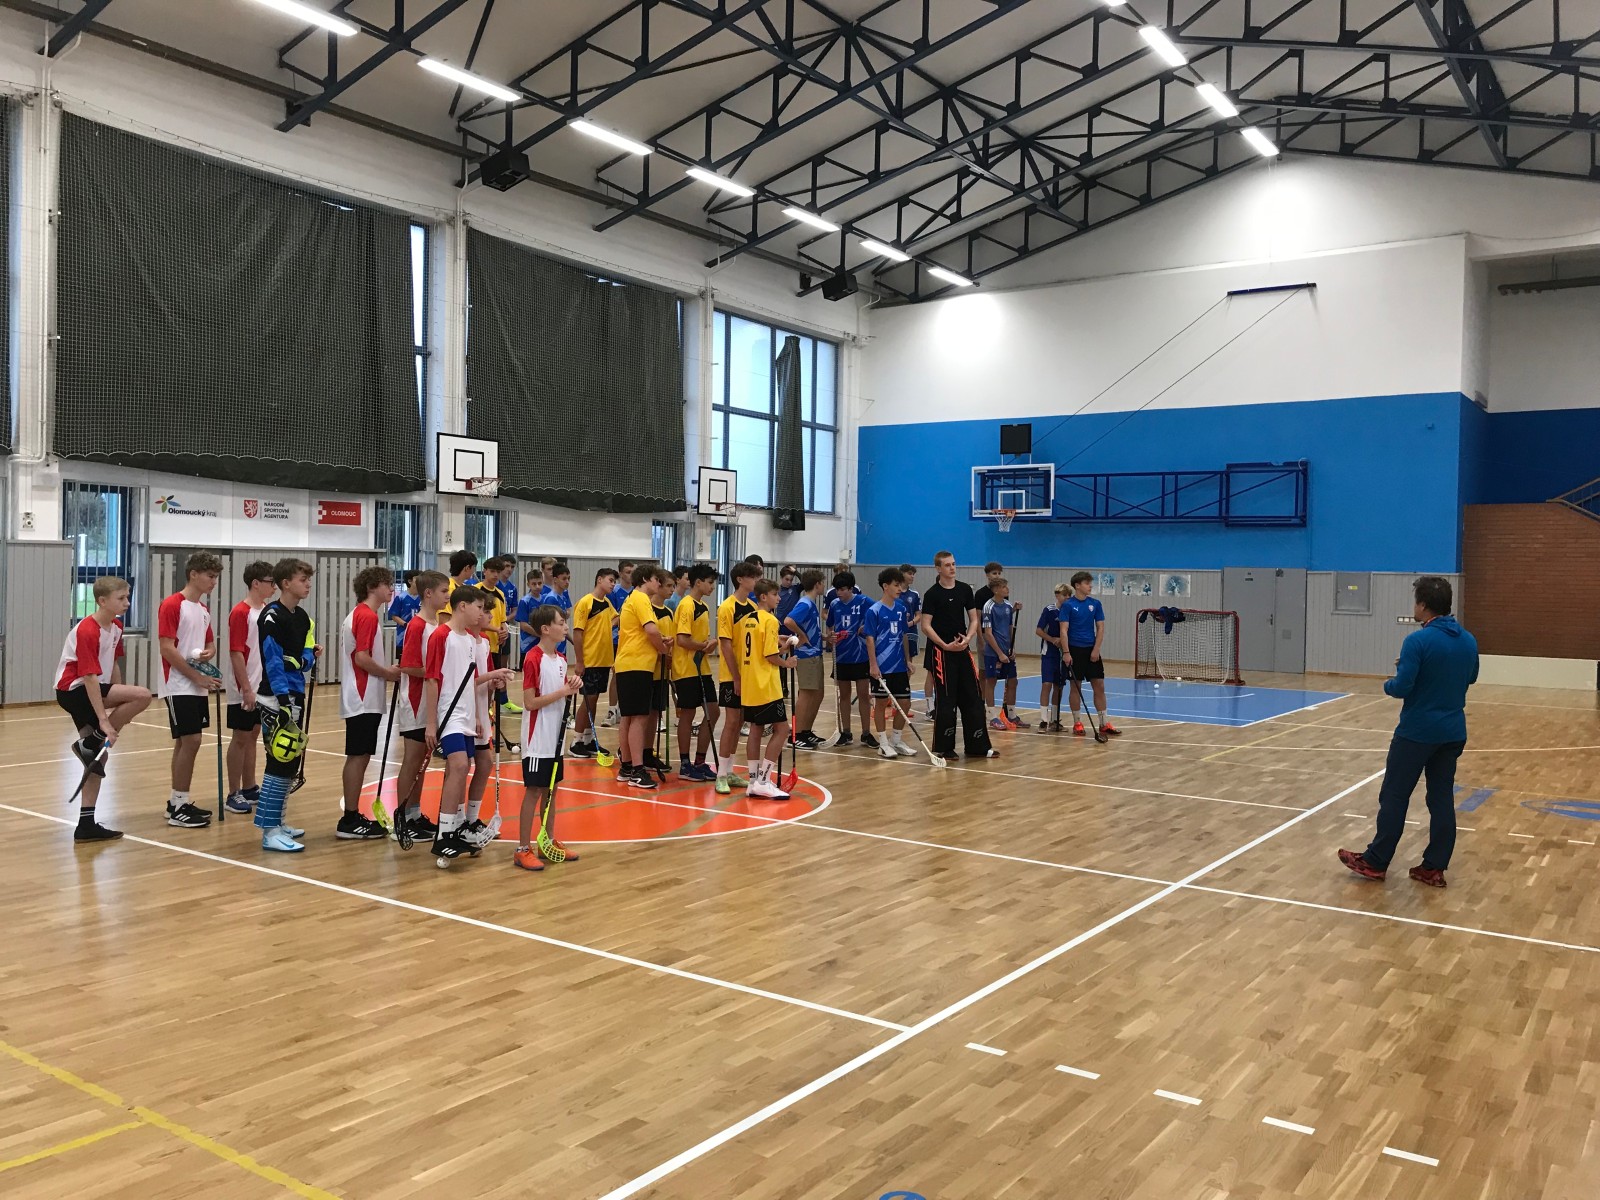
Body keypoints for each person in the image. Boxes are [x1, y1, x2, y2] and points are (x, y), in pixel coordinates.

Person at [1339, 577, 1479, 887]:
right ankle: (1434, 867)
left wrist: (1390, 681)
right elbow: (1470, 677)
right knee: (1441, 799)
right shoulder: (1468, 640)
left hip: (1417, 732)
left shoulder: (1418, 641)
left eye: (1416, 602)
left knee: (1395, 794)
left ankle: (1376, 861)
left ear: (1423, 605)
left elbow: (1402, 687)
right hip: (1453, 731)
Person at [55, 575, 153, 841]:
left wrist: (119, 699)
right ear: (102, 601)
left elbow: (114, 665)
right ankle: (93, 740)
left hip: (91, 688)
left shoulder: (117, 627)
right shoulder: (88, 630)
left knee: (98, 757)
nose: (127, 602)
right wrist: (105, 721)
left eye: (128, 597)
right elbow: (89, 677)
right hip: (73, 690)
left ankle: (85, 825)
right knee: (144, 695)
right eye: (121, 598)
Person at [423, 585, 513, 864]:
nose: (483, 614)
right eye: (479, 607)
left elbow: (471, 681)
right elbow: (432, 680)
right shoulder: (442, 636)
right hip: (449, 713)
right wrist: (431, 724)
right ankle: (445, 833)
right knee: (460, 766)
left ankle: (457, 826)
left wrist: (477, 712)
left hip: (467, 714)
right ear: (463, 606)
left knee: (463, 768)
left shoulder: (471, 642)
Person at [158, 550, 226, 829]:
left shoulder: (204, 610)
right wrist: (195, 677)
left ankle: (177, 801)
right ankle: (179, 807)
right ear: (193, 574)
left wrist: (209, 653)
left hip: (196, 683)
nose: (214, 581)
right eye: (210, 576)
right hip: (177, 683)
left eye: (216, 577)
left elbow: (209, 643)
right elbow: (167, 647)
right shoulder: (172, 605)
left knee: (185, 742)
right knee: (192, 740)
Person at [515, 604, 584, 872]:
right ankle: (522, 848)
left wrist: (573, 685)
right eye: (561, 622)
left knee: (551, 790)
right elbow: (530, 702)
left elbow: (562, 691)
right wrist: (563, 692)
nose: (566, 627)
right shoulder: (532, 658)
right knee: (534, 791)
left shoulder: (561, 659)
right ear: (546, 629)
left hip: (556, 736)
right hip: (537, 739)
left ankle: (548, 840)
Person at [255, 558, 317, 852]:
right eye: (302, 579)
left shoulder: (302, 617)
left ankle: (279, 821)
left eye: (308, 579)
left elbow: (306, 653)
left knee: (290, 760)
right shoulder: (271, 616)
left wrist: (302, 660)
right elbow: (274, 661)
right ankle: (269, 832)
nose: (308, 584)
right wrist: (282, 702)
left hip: (296, 693)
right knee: (278, 760)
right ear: (285, 583)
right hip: (276, 697)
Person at [337, 565, 402, 841]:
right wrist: (388, 673)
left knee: (361, 755)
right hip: (362, 697)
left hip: (364, 696)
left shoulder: (362, 615)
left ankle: (352, 815)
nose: (391, 589)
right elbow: (361, 658)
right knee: (358, 755)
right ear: (372, 587)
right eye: (387, 584)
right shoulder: (366, 616)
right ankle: (349, 818)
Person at [918, 551, 997, 761]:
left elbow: (973, 619)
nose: (952, 568)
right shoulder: (932, 594)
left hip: (962, 649)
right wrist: (944, 645)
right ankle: (944, 748)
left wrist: (968, 638)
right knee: (946, 700)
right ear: (938, 568)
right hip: (941, 652)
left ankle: (978, 746)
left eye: (953, 564)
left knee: (973, 697)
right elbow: (925, 625)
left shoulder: (964, 590)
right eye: (947, 565)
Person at [393, 570, 450, 842]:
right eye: (443, 591)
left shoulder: (437, 625)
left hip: (431, 701)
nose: (448, 596)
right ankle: (402, 817)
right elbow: (408, 666)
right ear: (428, 594)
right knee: (412, 760)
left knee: (422, 763)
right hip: (416, 702)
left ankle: (414, 813)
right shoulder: (416, 626)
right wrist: (437, 672)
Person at [737, 579, 799, 800]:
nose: (779, 598)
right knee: (781, 730)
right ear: (764, 597)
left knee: (756, 729)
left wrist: (782, 645)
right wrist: (787, 662)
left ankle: (754, 781)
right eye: (775, 594)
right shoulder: (770, 620)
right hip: (766, 685)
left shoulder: (747, 619)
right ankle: (763, 781)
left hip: (750, 683)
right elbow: (770, 656)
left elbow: (760, 649)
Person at [224, 560, 276, 814]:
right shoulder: (240, 612)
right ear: (256, 583)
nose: (274, 587)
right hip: (244, 686)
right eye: (270, 582)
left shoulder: (267, 610)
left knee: (254, 734)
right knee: (241, 737)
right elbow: (236, 652)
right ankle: (233, 792)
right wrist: (245, 687)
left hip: (262, 686)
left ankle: (249, 786)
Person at [614, 564, 670, 790]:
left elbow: (642, 633)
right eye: (657, 579)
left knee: (628, 718)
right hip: (636, 664)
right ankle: (637, 770)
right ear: (646, 579)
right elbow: (651, 630)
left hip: (629, 663)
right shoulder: (641, 599)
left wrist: (660, 641)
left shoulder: (633, 599)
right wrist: (662, 649)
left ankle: (627, 766)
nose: (659, 584)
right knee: (638, 717)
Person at [712, 559, 762, 794]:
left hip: (749, 673)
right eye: (753, 577)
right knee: (731, 722)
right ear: (741, 580)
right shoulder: (727, 607)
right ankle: (721, 774)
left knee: (741, 721)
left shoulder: (753, 606)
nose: (756, 581)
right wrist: (736, 676)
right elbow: (726, 645)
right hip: (731, 675)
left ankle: (730, 771)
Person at [672, 563, 720, 780]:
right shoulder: (686, 605)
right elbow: (682, 640)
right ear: (698, 582)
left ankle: (700, 761)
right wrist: (704, 646)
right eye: (709, 583)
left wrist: (707, 644)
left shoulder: (704, 607)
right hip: (686, 669)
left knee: (713, 711)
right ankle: (685, 764)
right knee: (688, 714)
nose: (712, 587)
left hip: (703, 668)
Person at [863, 567, 916, 758]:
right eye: (896, 585)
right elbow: (870, 639)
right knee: (880, 703)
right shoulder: (874, 611)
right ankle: (883, 743)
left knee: (905, 702)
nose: (900, 589)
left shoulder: (901, 609)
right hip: (881, 666)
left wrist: (907, 660)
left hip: (899, 665)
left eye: (900, 585)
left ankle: (896, 740)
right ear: (885, 586)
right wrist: (873, 664)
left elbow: (903, 635)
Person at [1062, 571, 1119, 737]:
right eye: (1087, 583)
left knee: (1099, 685)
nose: (1090, 586)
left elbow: (1100, 628)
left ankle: (1103, 723)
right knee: (1076, 687)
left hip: (1091, 649)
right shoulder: (1068, 605)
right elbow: (1063, 630)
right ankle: (1077, 723)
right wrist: (1066, 652)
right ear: (1077, 585)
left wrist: (1096, 649)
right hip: (1074, 650)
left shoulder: (1095, 604)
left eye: (1090, 583)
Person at [569, 568, 618, 758]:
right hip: (590, 660)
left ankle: (589, 740)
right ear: (599, 580)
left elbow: (616, 617)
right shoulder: (586, 602)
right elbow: (577, 633)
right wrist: (580, 661)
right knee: (588, 700)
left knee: (594, 699)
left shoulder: (606, 603)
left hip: (604, 660)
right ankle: (576, 741)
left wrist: (607, 626)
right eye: (610, 580)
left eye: (614, 581)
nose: (613, 584)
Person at [826, 570, 873, 748]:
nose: (839, 593)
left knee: (863, 695)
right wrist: (831, 636)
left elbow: (878, 613)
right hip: (842, 656)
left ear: (851, 589)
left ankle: (866, 733)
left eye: (843, 589)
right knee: (844, 696)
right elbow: (830, 626)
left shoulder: (864, 601)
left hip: (861, 655)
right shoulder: (834, 604)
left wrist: (866, 626)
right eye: (837, 589)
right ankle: (846, 733)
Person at [784, 569, 826, 749]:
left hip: (815, 653)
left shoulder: (810, 604)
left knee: (818, 693)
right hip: (806, 655)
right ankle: (796, 735)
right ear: (817, 584)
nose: (824, 586)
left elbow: (810, 628)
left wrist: (823, 637)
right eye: (823, 582)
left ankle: (806, 731)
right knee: (806, 694)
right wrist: (801, 635)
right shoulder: (805, 603)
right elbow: (788, 621)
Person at [982, 577, 1027, 729]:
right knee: (991, 682)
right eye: (1003, 587)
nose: (1007, 589)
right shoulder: (988, 607)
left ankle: (1012, 715)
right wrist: (1000, 653)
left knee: (1013, 681)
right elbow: (988, 633)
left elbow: (1009, 627)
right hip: (993, 653)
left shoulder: (1008, 605)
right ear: (996, 590)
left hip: (1007, 651)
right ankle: (992, 717)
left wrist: (1011, 648)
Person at [603, 559, 637, 728]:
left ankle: (625, 708)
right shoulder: (614, 592)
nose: (630, 575)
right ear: (621, 573)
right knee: (616, 675)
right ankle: (612, 710)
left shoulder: (637, 592)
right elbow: (612, 617)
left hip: (633, 641)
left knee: (630, 676)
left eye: (632, 572)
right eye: (627, 572)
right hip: (617, 640)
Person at [1035, 583, 1069, 733]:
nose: (1067, 598)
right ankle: (1044, 720)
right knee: (1047, 684)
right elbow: (1039, 630)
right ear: (1057, 595)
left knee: (1059, 686)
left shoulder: (1070, 611)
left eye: (1069, 595)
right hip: (1049, 653)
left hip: (1063, 654)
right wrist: (1052, 639)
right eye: (1064, 595)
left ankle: (1055, 719)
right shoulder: (1049, 610)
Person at [898, 564, 925, 716]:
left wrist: (910, 623)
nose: (912, 576)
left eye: (913, 574)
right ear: (901, 574)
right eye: (909, 573)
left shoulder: (914, 594)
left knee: (908, 665)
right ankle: (890, 698)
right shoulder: (894, 592)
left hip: (910, 633)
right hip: (895, 635)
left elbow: (919, 615)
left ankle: (903, 701)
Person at [389, 571, 421, 655]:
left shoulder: (424, 598)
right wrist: (406, 625)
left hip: (420, 635)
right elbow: (394, 615)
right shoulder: (401, 597)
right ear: (410, 581)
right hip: (403, 636)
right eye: (418, 579)